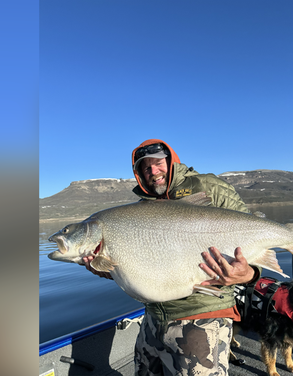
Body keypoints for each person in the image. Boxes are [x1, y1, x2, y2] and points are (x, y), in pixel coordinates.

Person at [82, 139, 261, 376]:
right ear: (139, 175)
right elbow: (140, 267)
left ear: (171, 160)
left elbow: (251, 234)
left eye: (157, 163)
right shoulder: (140, 211)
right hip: (153, 320)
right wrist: (107, 268)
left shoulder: (209, 186)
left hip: (202, 317)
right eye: (145, 168)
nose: (153, 171)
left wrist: (250, 274)